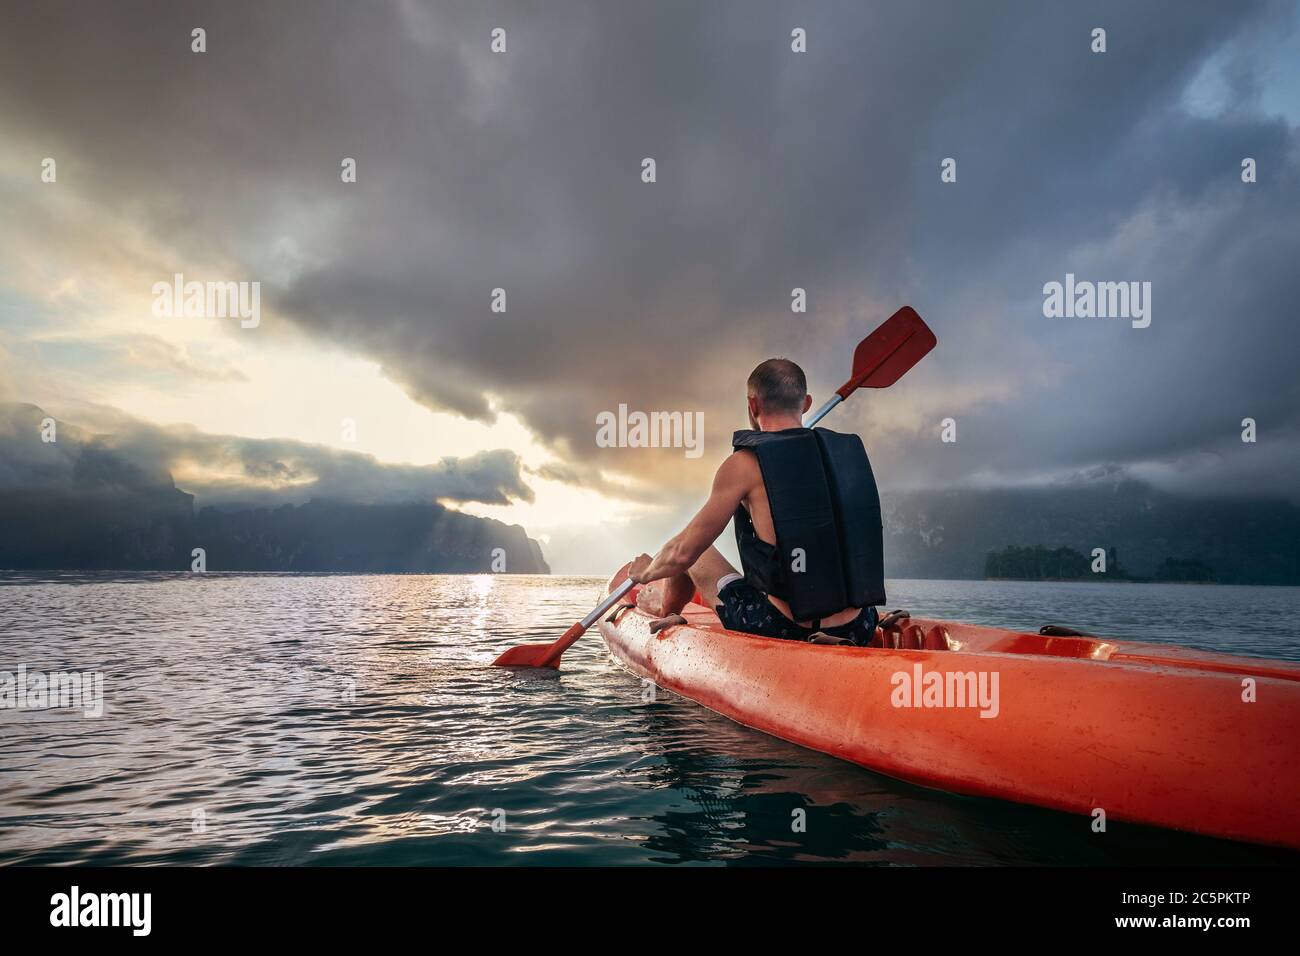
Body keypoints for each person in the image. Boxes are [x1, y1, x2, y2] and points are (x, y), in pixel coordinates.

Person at [626, 358, 885, 645]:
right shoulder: (844, 456)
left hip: (781, 626)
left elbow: (683, 553)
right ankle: (843, 629)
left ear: (752, 405)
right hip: (859, 625)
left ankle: (668, 616)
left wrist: (646, 573)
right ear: (807, 403)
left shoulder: (744, 464)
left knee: (698, 550)